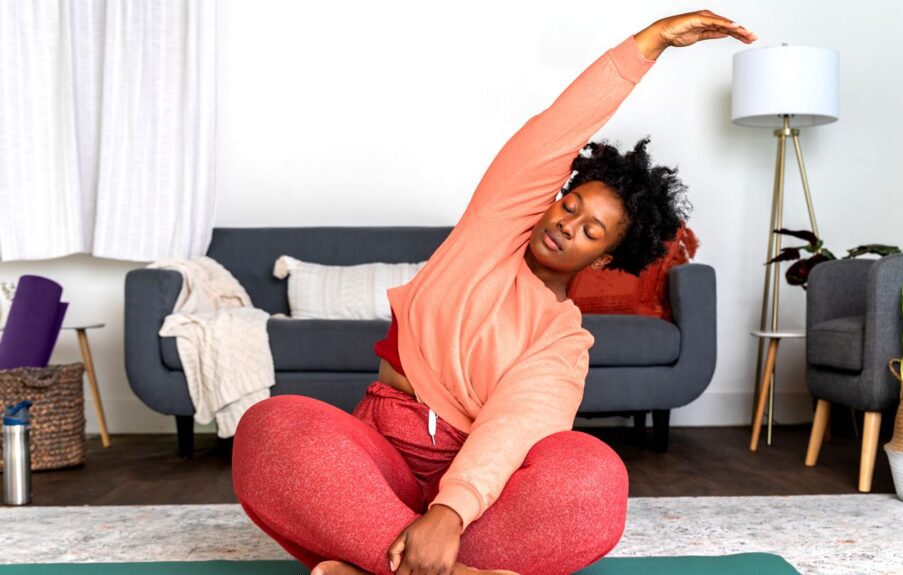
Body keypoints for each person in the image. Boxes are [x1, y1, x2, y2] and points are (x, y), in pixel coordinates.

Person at [231, 9, 757, 575]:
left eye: (591, 231)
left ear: (604, 258)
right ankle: (442, 569)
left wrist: (450, 512)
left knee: (594, 478)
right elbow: (557, 131)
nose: (567, 226)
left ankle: (378, 561)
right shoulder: (492, 230)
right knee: (271, 426)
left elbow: (513, 427)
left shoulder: (564, 339)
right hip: (379, 460)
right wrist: (649, 43)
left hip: (481, 498)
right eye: (570, 206)